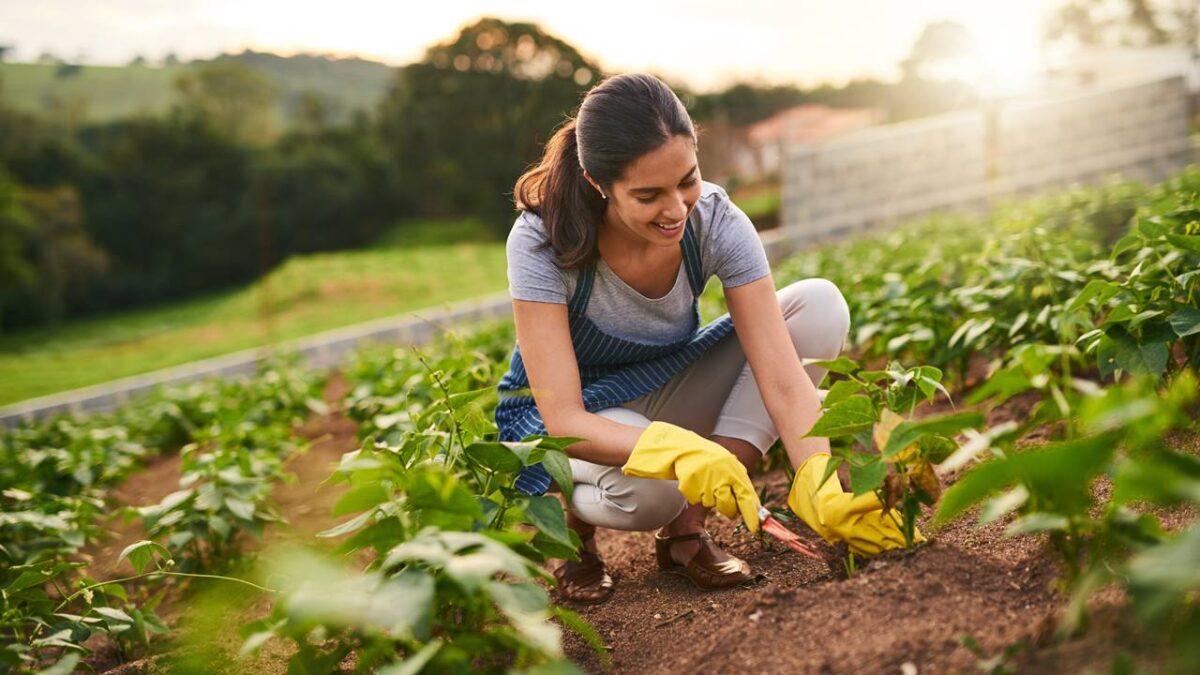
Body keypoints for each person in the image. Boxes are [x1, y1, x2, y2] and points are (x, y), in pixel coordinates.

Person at [495, 73, 911, 604]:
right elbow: (564, 420)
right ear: (598, 183)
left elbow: (783, 377)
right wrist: (676, 451)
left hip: (665, 382)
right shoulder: (541, 239)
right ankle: (573, 531)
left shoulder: (714, 218)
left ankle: (686, 532)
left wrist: (817, 483)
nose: (676, 210)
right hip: (566, 417)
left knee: (818, 307)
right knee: (650, 492)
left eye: (687, 180)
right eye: (648, 195)